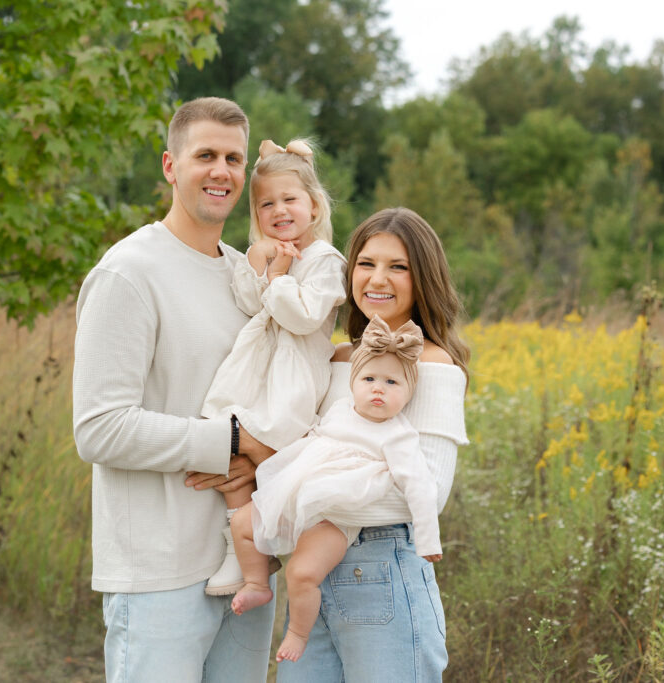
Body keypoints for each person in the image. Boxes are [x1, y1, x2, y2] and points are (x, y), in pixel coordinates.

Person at [72, 97, 277, 682]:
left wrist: (267, 456)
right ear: (170, 165)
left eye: (234, 158)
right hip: (159, 571)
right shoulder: (128, 273)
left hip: (247, 559)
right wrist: (234, 442)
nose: (222, 171)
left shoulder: (248, 275)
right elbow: (99, 427)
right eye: (205, 155)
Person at [276, 207, 471, 682]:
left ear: (423, 278)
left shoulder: (434, 365)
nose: (377, 279)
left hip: (383, 567)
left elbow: (425, 490)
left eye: (398, 267)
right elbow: (308, 444)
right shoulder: (337, 356)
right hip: (313, 574)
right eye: (366, 263)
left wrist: (305, 493)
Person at [229, 315, 443, 664]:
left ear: (409, 394)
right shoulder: (340, 410)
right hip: (297, 492)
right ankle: (257, 583)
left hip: (335, 516)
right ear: (353, 383)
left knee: (303, 572)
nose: (378, 388)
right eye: (369, 379)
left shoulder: (398, 435)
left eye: (392, 382)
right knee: (241, 524)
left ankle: (298, 632)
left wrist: (428, 538)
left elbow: (419, 486)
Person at [201, 138, 346, 595]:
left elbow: (302, 317)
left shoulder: (326, 261)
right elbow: (249, 303)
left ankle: (259, 555)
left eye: (290, 200)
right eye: (267, 204)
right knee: (225, 444)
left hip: (292, 382)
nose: (279, 211)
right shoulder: (269, 254)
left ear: (315, 207)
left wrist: (281, 276)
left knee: (253, 452)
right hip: (258, 375)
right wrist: (262, 264)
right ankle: (244, 553)